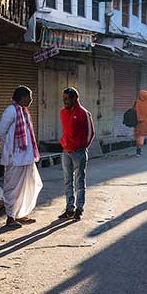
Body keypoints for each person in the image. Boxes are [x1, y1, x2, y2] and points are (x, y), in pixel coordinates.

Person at [0, 86, 43, 228]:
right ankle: (10, 217)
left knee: (28, 185)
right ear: (22, 97)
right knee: (12, 188)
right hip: (15, 158)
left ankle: (21, 214)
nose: (31, 100)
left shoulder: (24, 111)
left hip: (27, 158)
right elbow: (1, 132)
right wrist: (10, 148)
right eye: (29, 96)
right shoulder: (11, 110)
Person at [59, 87, 95, 221]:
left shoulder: (83, 113)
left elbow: (91, 133)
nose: (65, 101)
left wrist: (82, 146)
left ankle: (79, 209)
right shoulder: (63, 112)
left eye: (67, 99)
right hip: (66, 151)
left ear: (75, 98)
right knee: (67, 181)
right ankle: (69, 209)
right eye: (64, 99)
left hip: (78, 152)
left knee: (79, 181)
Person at [134, 90, 147, 156]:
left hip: (139, 121)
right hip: (145, 121)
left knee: (139, 135)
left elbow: (136, 111)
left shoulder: (137, 102)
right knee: (142, 135)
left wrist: (139, 118)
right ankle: (139, 150)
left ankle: (138, 150)